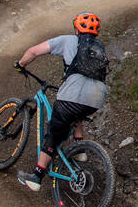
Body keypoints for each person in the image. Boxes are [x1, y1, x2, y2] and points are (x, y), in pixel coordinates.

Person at [14, 13, 109, 191]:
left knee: (54, 132)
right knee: (76, 114)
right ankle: (79, 151)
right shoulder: (99, 48)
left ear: (76, 29)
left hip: (73, 95)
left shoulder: (68, 40)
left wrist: (21, 64)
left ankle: (36, 176)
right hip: (97, 98)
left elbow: (34, 51)